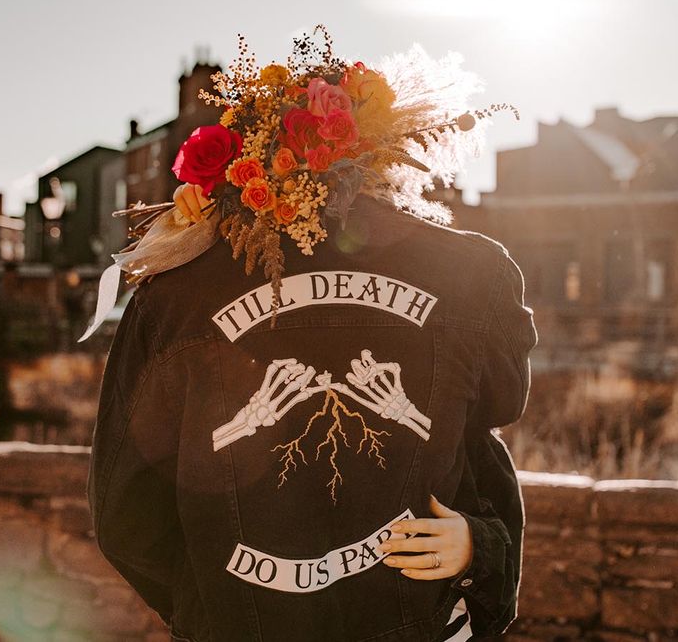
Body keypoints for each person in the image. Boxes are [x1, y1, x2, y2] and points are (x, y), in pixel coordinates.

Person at [86, 181, 537, 641]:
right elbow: (495, 411)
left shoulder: (174, 287)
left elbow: (125, 519)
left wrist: (211, 603)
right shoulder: (475, 274)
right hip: (417, 624)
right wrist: (482, 550)